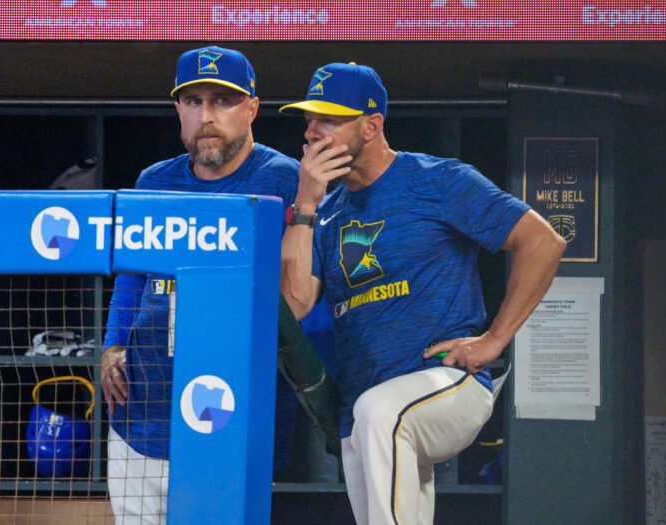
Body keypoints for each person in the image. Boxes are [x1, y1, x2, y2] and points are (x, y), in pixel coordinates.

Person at [279, 62, 566, 525]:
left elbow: (543, 242)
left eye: (329, 118)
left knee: (380, 414)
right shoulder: (326, 212)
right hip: (366, 413)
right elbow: (292, 306)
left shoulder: (435, 179)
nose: (311, 131)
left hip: (446, 385)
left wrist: (493, 340)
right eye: (309, 119)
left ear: (371, 125)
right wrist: (306, 206)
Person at [100, 45, 301, 524]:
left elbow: (302, 292)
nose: (206, 115)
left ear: (252, 108)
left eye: (222, 101)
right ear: (178, 111)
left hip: (231, 410)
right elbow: (132, 274)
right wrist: (111, 345)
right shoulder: (154, 181)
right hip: (143, 404)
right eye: (193, 102)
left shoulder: (282, 179)